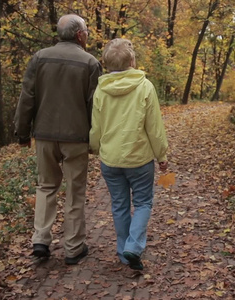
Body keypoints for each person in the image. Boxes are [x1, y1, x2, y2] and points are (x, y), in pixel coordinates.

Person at [14, 14, 102, 265]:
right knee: (75, 190)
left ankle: (41, 239)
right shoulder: (90, 63)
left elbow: (27, 97)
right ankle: (73, 247)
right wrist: (95, 139)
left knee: (46, 186)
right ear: (78, 35)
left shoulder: (39, 58)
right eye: (86, 31)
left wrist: (22, 133)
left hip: (44, 135)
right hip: (76, 138)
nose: (87, 34)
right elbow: (94, 106)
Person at [89, 38, 169, 270]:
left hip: (111, 160)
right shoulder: (145, 87)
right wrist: (161, 155)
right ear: (132, 61)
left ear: (106, 64)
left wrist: (95, 148)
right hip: (139, 159)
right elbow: (154, 128)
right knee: (143, 202)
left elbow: (97, 126)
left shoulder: (100, 90)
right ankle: (133, 247)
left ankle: (124, 252)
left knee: (119, 205)